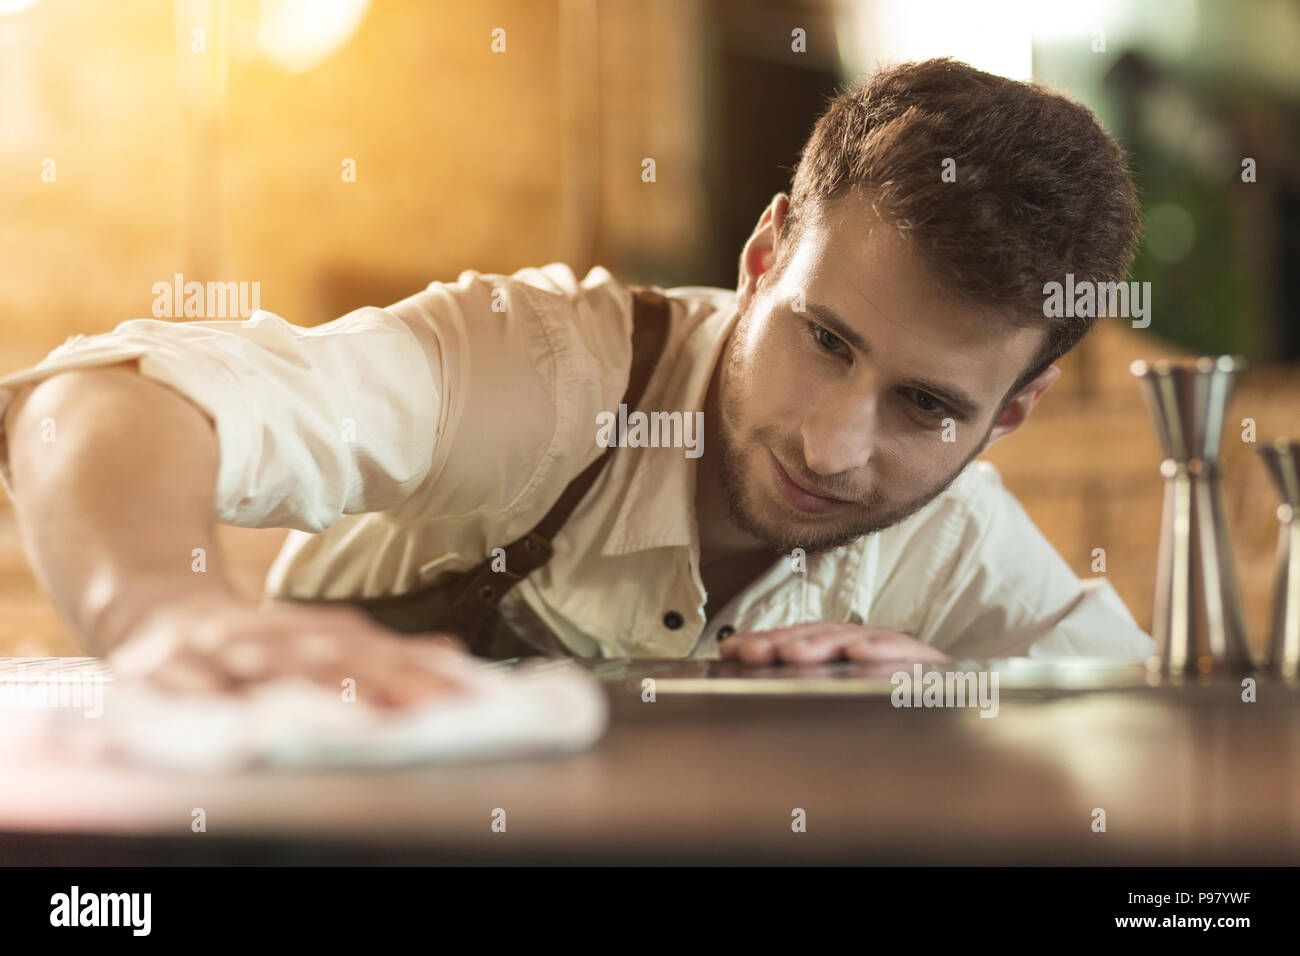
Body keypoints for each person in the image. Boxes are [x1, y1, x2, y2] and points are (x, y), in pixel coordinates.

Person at [0, 59, 1153, 706]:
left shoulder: (959, 545)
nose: (831, 445)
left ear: (1008, 413)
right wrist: (159, 612)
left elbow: (1147, 743)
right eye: (825, 339)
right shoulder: (541, 369)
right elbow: (99, 399)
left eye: (926, 405)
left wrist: (961, 704)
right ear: (761, 260)